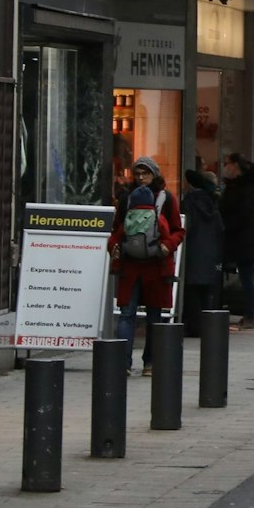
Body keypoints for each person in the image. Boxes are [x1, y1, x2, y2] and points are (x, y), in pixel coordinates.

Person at [110, 158, 183, 374]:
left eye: (146, 173)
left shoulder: (166, 199)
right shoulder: (127, 198)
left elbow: (178, 230)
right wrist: (113, 247)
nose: (141, 178)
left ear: (155, 174)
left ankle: (149, 362)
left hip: (155, 265)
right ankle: (124, 363)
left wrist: (168, 245)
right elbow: (117, 229)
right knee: (127, 313)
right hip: (133, 265)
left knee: (152, 315)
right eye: (138, 173)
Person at [219, 153, 254, 330]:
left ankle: (250, 313)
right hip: (239, 238)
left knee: (246, 276)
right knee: (246, 275)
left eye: (227, 163)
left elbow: (243, 214)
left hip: (243, 239)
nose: (225, 167)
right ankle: (250, 311)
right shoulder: (237, 186)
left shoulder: (246, 188)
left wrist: (226, 226)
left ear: (236, 166)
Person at [178, 169, 225, 336]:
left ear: (190, 184)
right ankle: (208, 326)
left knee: (192, 292)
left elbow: (186, 227)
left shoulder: (188, 202)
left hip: (192, 251)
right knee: (207, 292)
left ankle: (194, 326)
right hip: (211, 252)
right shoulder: (212, 202)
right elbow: (220, 228)